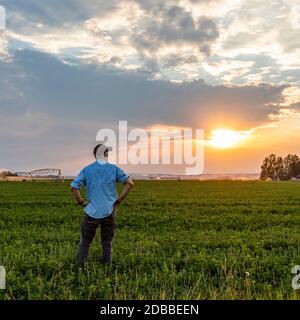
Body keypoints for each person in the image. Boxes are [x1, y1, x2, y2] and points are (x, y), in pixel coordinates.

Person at [70, 144, 134, 266]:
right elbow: (130, 183)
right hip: (109, 210)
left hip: (91, 212)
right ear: (106, 155)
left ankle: (80, 266)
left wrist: (81, 202)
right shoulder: (114, 169)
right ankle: (106, 266)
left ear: (95, 155)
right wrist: (119, 200)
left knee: (85, 241)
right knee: (107, 242)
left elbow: (73, 187)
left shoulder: (87, 169)